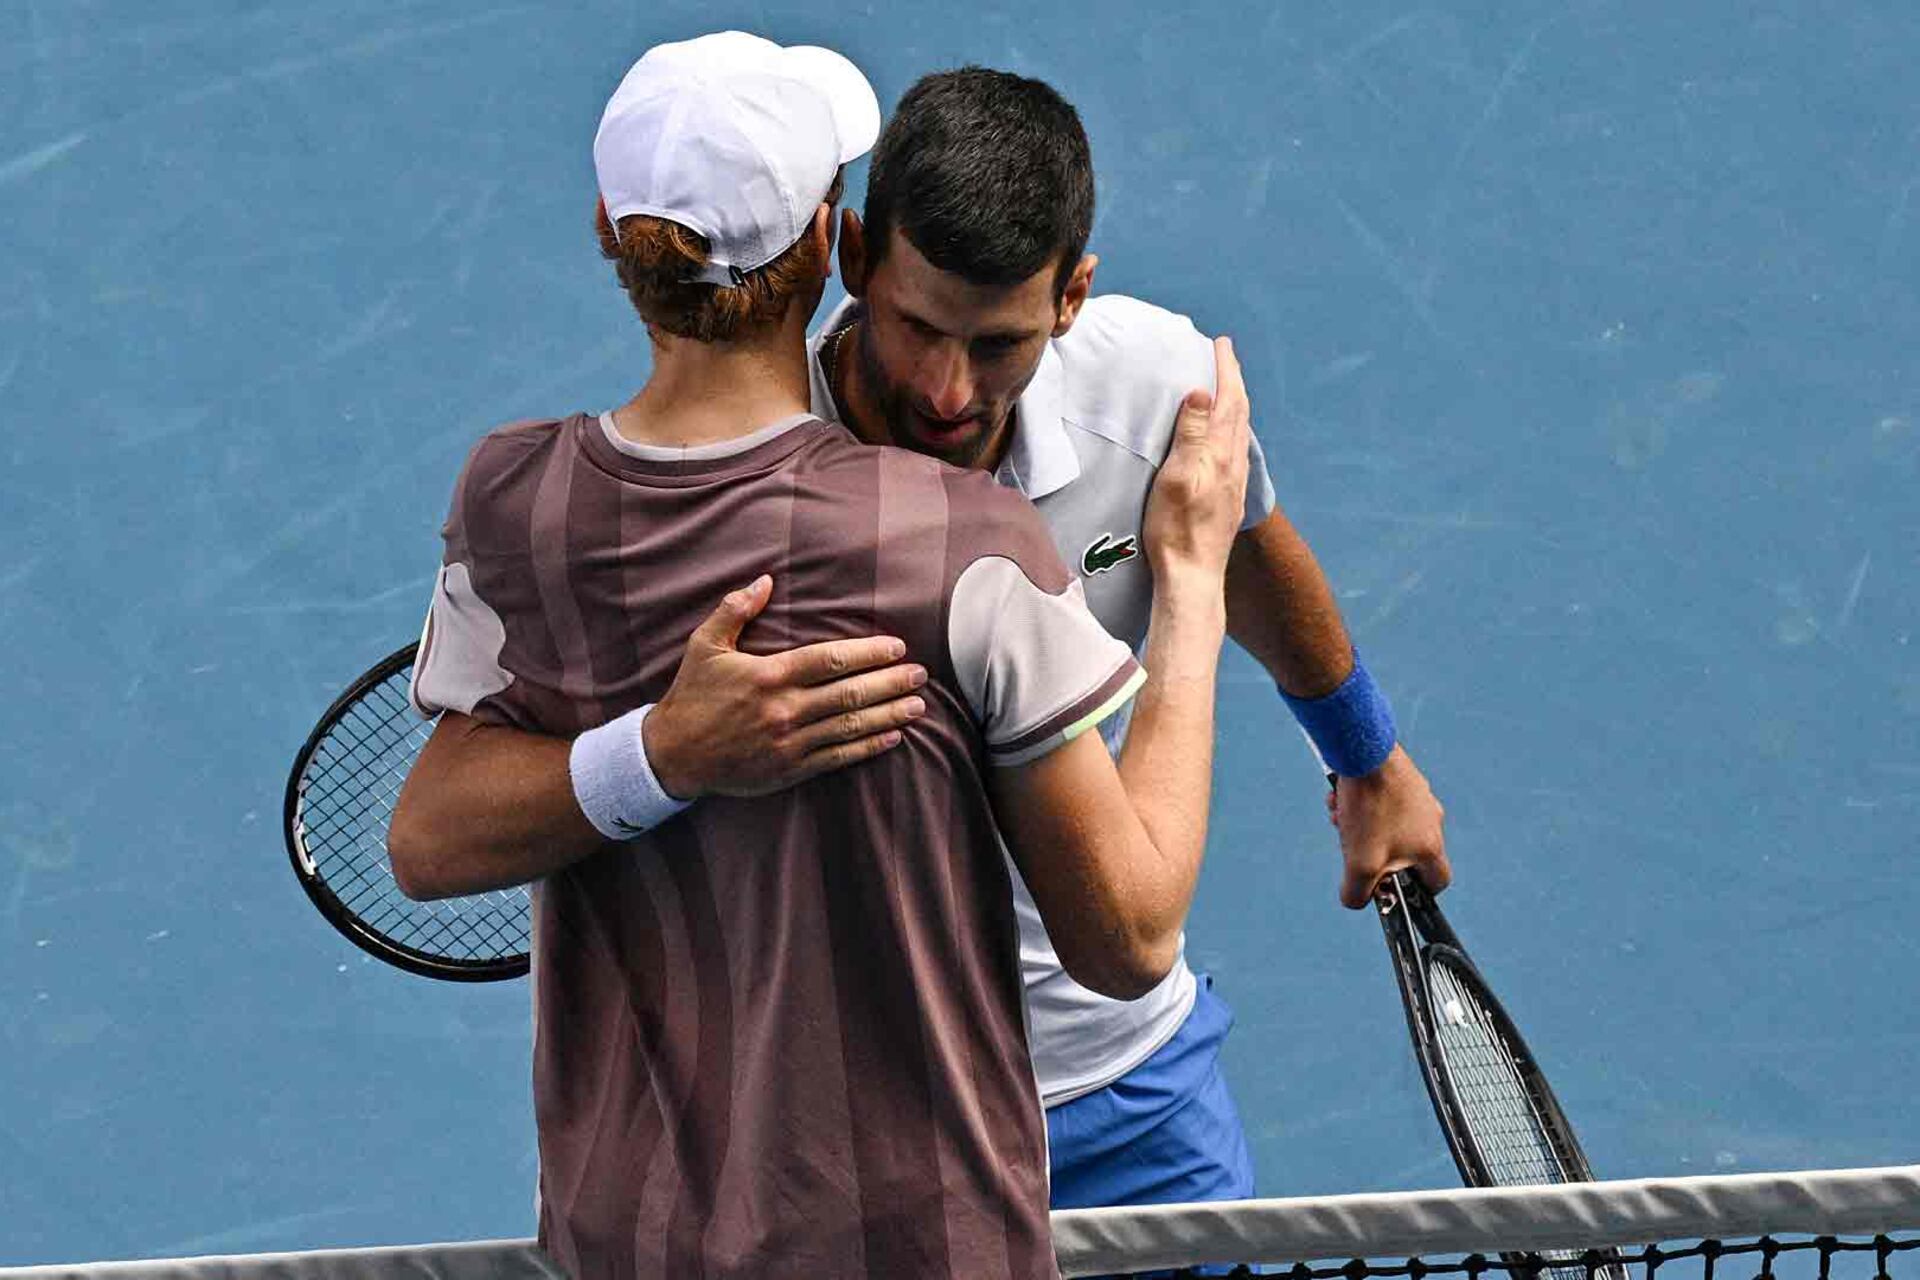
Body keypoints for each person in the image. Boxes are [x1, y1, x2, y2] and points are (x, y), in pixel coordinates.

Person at [396, 61, 1449, 1230]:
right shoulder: (727, 493)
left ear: (1071, 298)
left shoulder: (1159, 389)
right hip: (873, 1123)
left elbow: (1243, 542)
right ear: (847, 257)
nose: (949, 391)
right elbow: (438, 828)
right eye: (916, 329)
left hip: (1122, 1081)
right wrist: (665, 750)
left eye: (998, 345)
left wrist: (1364, 752)